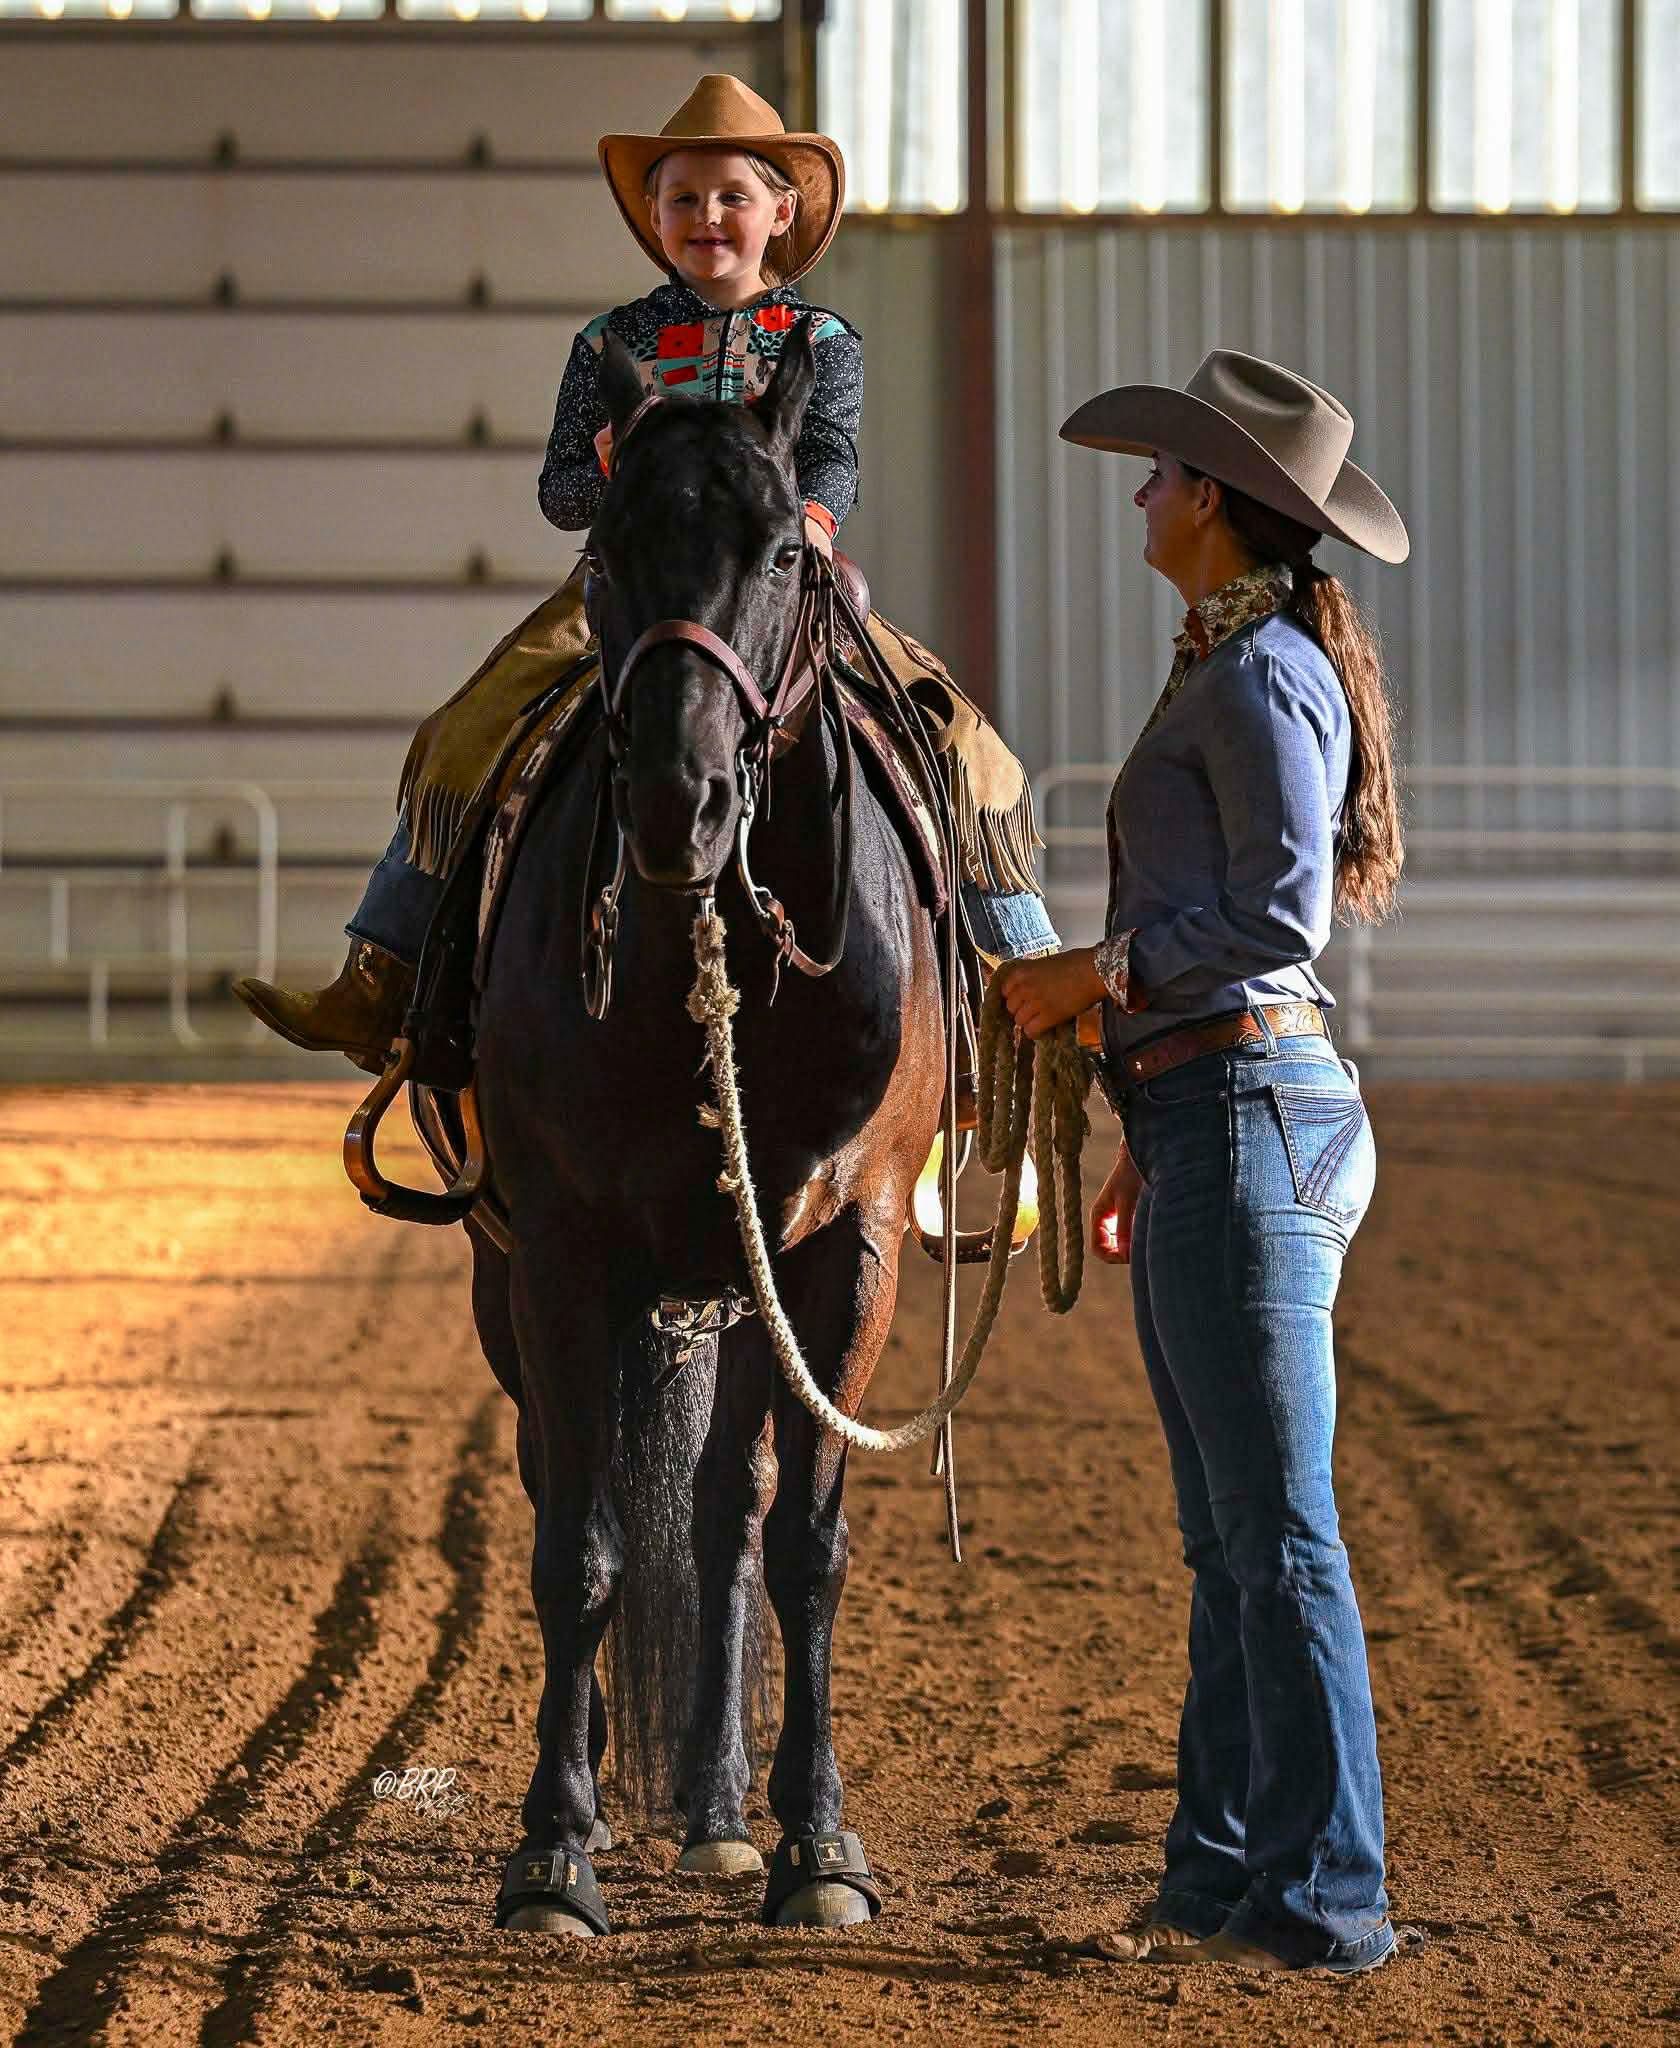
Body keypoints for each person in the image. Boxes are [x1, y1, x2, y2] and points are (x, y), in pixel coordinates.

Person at [235, 74, 1055, 1071]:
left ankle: (1016, 984)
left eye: (731, 198)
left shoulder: (822, 341)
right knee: (460, 736)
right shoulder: (608, 340)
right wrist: (610, 475)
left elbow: (832, 451)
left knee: (961, 743)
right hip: (630, 583)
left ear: (780, 214)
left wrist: (807, 520)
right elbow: (560, 488)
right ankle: (384, 975)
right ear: (654, 215)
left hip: (769, 579)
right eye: (683, 199)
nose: (706, 217)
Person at [999, 350, 1412, 1974]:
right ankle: (1230, 1870)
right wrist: (1141, 1114)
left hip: (1245, 1109)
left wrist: (1093, 977)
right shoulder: (1240, 665)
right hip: (1209, 1114)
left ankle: (1324, 1891)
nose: (1144, 490)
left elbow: (1279, 916)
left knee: (1278, 1528)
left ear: (1220, 506)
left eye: (1166, 473)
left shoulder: (1257, 681)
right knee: (1236, 1531)